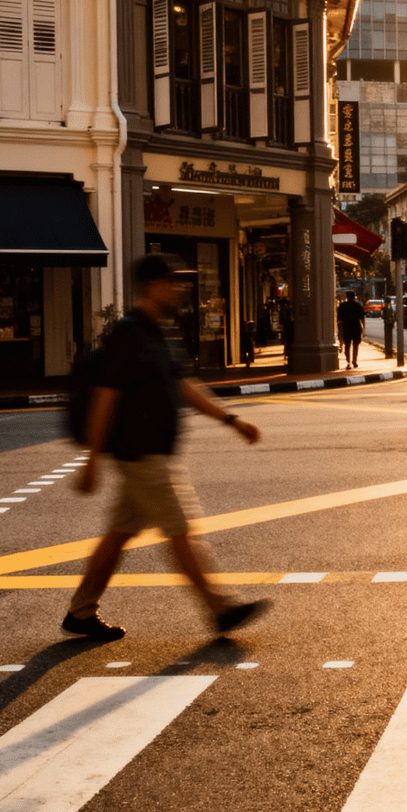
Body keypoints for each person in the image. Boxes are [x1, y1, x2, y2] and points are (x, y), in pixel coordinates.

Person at [67, 254, 270, 640]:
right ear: (150, 287)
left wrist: (231, 420)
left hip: (151, 452)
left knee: (120, 533)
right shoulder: (128, 334)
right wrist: (91, 457)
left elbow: (183, 387)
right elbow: (104, 397)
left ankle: (80, 611)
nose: (175, 288)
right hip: (140, 454)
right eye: (169, 282)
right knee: (179, 529)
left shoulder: (157, 332)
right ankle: (220, 607)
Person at [337, 291, 365, 369]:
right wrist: (363, 328)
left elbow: (340, 320)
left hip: (347, 327)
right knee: (355, 345)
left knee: (347, 346)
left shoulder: (342, 306)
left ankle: (348, 362)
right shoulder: (358, 305)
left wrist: (341, 330)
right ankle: (354, 361)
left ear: (347, 297)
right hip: (356, 327)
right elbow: (362, 319)